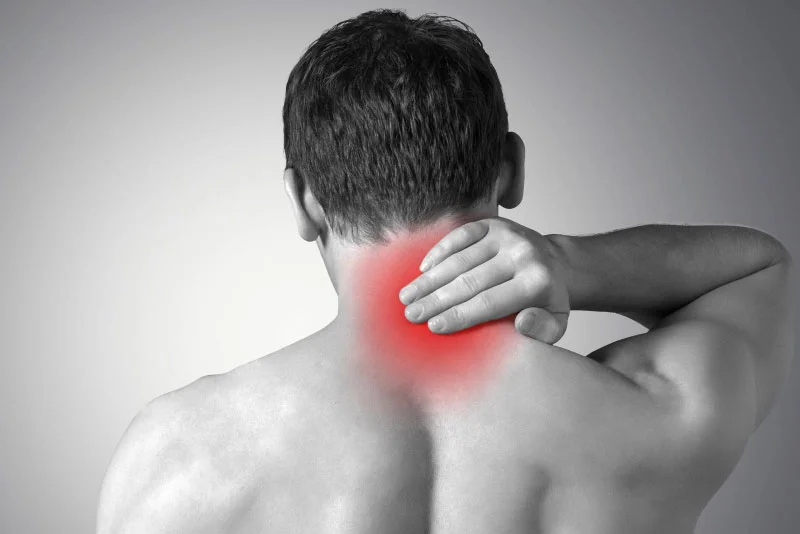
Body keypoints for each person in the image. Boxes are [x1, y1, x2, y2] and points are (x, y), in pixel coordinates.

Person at [96, 9, 794, 534]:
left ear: (304, 199)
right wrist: (574, 262)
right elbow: (758, 266)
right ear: (510, 170)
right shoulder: (657, 413)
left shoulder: (182, 452)